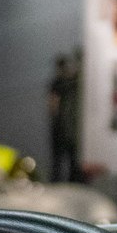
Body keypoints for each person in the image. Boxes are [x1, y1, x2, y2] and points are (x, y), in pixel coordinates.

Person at [48, 52, 81, 182]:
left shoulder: (58, 84)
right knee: (69, 161)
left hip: (61, 128)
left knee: (59, 162)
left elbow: (52, 107)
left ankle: (58, 184)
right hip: (69, 129)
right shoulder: (71, 84)